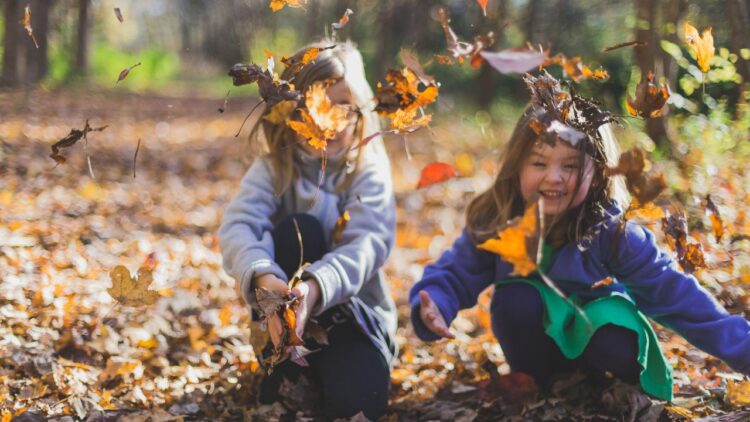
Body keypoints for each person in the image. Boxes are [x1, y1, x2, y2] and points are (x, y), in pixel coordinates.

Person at [409, 73, 750, 401]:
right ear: (517, 166)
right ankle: (541, 383)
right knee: (517, 300)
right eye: (539, 163)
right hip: (536, 351)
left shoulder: (612, 231)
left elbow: (675, 295)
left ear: (598, 173)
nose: (553, 177)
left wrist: (743, 350)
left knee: (611, 329)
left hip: (602, 347)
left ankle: (599, 388)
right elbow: (456, 271)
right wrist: (437, 302)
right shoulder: (499, 220)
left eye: (570, 166)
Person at [219, 40, 396, 419]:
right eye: (312, 106)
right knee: (299, 229)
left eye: (341, 106)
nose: (326, 121)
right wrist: (264, 277)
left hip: (354, 322)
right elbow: (238, 225)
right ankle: (286, 365)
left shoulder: (368, 170)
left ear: (360, 110)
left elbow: (368, 243)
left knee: (358, 406)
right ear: (288, 112)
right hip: (282, 325)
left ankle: (340, 371)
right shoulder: (274, 169)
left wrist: (314, 288)